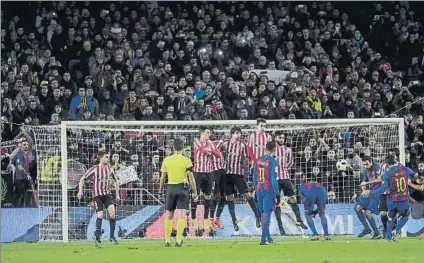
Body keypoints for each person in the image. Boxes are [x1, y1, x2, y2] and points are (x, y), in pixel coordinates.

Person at [215, 127, 261, 230]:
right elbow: (216, 150)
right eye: (236, 133)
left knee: (247, 195)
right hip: (226, 175)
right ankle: (234, 221)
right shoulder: (225, 143)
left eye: (240, 133)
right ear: (231, 134)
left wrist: (245, 170)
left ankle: (258, 216)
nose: (239, 135)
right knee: (230, 198)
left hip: (238, 174)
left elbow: (246, 159)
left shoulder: (243, 145)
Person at [362, 155, 416, 241]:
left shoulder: (387, 174)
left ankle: (388, 238)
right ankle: (396, 230)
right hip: (404, 199)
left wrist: (370, 192)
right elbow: (414, 175)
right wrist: (411, 178)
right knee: (406, 215)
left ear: (387, 164)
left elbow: (382, 189)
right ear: (396, 161)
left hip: (392, 201)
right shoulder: (404, 169)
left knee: (390, 218)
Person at [159, 139, 197, 247]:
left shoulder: (167, 160)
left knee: (169, 215)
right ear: (183, 147)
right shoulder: (186, 160)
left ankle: (166, 241)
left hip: (170, 188)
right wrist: (195, 192)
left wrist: (160, 191)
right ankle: (178, 241)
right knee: (181, 216)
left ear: (173, 148)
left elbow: (162, 178)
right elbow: (191, 177)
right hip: (182, 189)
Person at [77, 151, 120, 246]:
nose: (107, 159)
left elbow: (116, 181)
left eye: (108, 157)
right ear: (101, 158)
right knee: (100, 215)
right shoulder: (94, 169)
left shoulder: (110, 169)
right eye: (106, 157)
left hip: (107, 195)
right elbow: (82, 179)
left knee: (112, 215)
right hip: (97, 196)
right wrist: (80, 191)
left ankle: (112, 237)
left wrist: (117, 194)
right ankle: (97, 238)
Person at [274, 131, 307, 235]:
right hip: (275, 179)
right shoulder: (272, 150)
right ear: (275, 138)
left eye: (283, 138)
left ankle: (299, 219)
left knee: (293, 198)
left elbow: (291, 162)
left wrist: (284, 169)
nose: (282, 140)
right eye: (280, 138)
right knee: (276, 202)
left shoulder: (287, 150)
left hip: (285, 177)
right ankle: (280, 227)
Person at [361, 148, 399, 236]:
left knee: (394, 213)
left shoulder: (400, 166)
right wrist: (366, 186)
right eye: (389, 153)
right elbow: (380, 178)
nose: (390, 155)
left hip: (394, 192)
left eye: (392, 154)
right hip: (384, 192)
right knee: (383, 214)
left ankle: (394, 231)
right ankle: (386, 231)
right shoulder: (382, 165)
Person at [192, 127, 221, 236]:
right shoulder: (195, 141)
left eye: (210, 132)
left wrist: (212, 150)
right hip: (198, 173)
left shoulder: (211, 143)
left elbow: (218, 155)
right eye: (207, 132)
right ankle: (195, 223)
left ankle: (205, 220)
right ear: (202, 133)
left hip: (208, 174)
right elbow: (201, 150)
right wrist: (208, 148)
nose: (209, 134)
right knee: (195, 197)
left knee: (208, 197)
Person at [252, 141, 279, 245]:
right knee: (267, 214)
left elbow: (254, 177)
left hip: (259, 189)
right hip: (268, 190)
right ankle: (263, 239)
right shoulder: (273, 162)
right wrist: (276, 193)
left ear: (265, 149)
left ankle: (268, 238)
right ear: (274, 149)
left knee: (263, 213)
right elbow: (274, 179)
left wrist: (255, 188)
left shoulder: (257, 161)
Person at [355, 156, 382, 239]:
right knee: (357, 207)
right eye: (364, 164)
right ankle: (367, 229)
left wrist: (366, 183)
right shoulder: (365, 170)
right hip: (370, 193)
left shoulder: (377, 166)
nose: (365, 166)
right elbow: (364, 181)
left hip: (378, 193)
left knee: (368, 213)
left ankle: (377, 233)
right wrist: (363, 188)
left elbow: (380, 179)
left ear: (371, 161)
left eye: (367, 164)